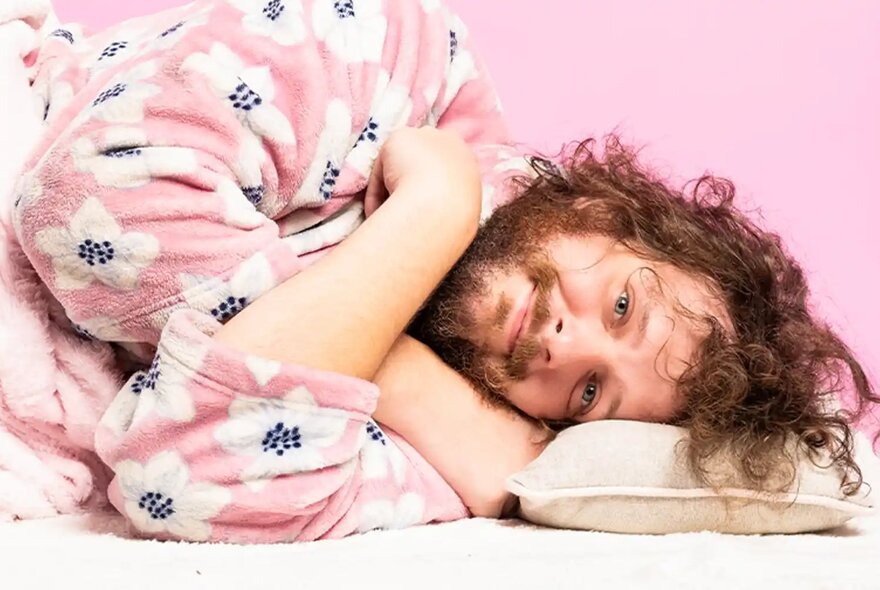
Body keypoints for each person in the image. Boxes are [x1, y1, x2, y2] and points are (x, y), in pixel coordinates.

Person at [9, 0, 876, 542]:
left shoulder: (466, 433)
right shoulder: (402, 58)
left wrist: (384, 327)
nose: (563, 349)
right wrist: (438, 208)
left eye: (589, 395)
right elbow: (79, 209)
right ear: (604, 216)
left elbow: (180, 484)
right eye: (618, 305)